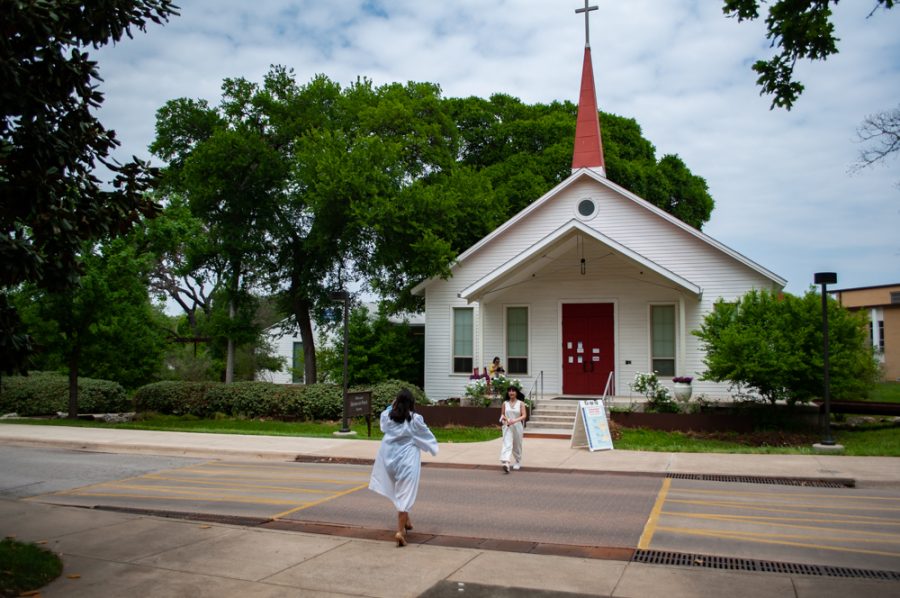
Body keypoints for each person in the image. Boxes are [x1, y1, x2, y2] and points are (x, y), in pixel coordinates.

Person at [368, 388, 439, 547]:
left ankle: (407, 522)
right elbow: (427, 437)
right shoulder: (414, 420)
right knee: (405, 495)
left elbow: (382, 427)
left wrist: (392, 406)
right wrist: (433, 448)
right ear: (412, 403)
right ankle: (400, 531)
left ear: (397, 402)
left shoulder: (388, 417)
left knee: (397, 491)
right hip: (406, 462)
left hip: (388, 460)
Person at [499, 385, 527, 473]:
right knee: (507, 444)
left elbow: (524, 415)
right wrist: (506, 420)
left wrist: (514, 420)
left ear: (516, 393)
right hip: (507, 426)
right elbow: (502, 414)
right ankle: (506, 462)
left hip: (517, 426)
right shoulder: (505, 403)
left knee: (517, 445)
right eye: (510, 391)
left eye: (513, 391)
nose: (511, 392)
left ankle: (518, 461)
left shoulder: (521, 403)